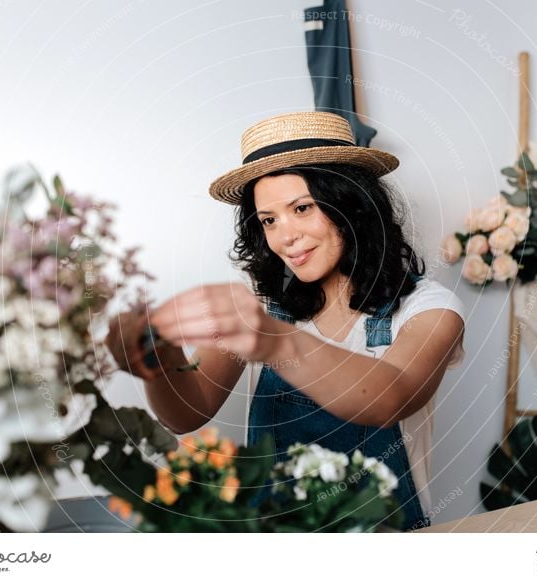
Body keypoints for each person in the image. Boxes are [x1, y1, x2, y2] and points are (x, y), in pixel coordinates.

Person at [106, 111, 466, 531]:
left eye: (302, 208)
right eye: (269, 220)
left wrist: (274, 341)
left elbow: (390, 399)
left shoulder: (430, 309)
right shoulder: (260, 301)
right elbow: (187, 413)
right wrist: (158, 362)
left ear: (354, 204)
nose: (285, 236)